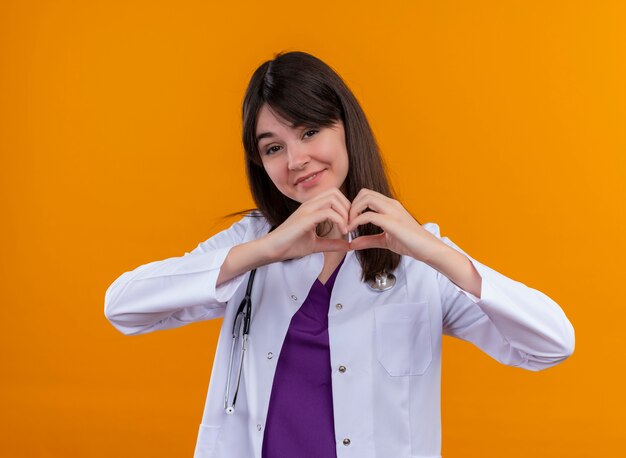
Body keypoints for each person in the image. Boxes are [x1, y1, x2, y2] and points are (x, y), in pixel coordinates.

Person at [104, 51, 575, 458]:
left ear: (346, 127)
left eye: (310, 132)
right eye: (273, 148)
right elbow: (122, 307)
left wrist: (434, 252)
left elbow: (551, 344)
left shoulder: (415, 258)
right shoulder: (250, 245)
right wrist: (266, 249)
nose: (295, 160)